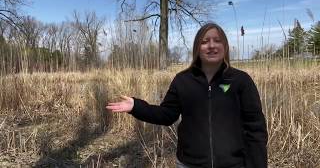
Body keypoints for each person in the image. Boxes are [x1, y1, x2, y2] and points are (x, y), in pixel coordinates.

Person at [106, 22, 268, 168]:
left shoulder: (240, 80)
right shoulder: (183, 80)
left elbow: (256, 128)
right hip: (189, 163)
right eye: (205, 42)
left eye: (217, 40)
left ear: (225, 46)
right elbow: (167, 115)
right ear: (197, 48)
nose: (211, 45)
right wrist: (136, 106)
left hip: (233, 164)